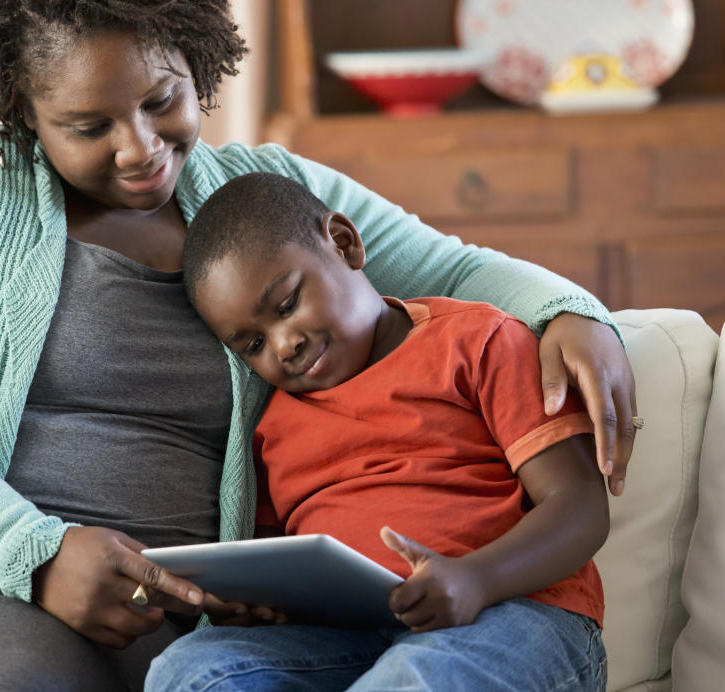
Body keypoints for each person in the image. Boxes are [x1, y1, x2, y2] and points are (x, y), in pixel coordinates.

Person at [0, 1, 635, 690]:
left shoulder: (266, 194)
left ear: (195, 60)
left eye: (160, 101)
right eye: (88, 126)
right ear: (25, 110)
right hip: (3, 585)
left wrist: (570, 313)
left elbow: (459, 269)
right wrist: (31, 554)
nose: (140, 149)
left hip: (196, 614)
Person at [146, 171, 610, 691]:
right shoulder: (271, 428)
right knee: (189, 671)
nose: (282, 346)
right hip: (350, 638)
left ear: (344, 245)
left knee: (410, 678)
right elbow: (280, 573)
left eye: (286, 306)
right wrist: (244, 606)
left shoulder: (477, 342)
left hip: (516, 616)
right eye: (252, 345)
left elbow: (581, 505)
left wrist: (475, 579)